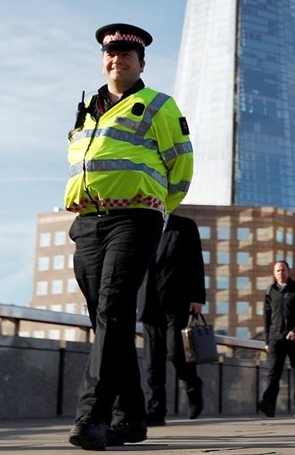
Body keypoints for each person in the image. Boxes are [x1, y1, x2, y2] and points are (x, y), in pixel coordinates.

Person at [64, 24, 193, 451]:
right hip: (88, 221)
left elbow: (182, 168)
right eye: (109, 54)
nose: (115, 60)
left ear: (140, 63)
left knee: (115, 310)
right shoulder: (87, 107)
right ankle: (131, 417)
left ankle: (91, 416)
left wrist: (157, 206)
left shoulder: (158, 105)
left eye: (124, 55)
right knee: (103, 318)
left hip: (135, 218)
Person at [139, 212, 206, 425]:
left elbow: (196, 261)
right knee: (152, 362)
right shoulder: (142, 224)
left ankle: (193, 386)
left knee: (176, 352)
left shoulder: (185, 225)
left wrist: (197, 297)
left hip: (176, 301)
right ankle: (155, 411)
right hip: (148, 303)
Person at [258, 260, 295, 419]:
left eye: (283, 270)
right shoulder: (270, 291)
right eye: (277, 270)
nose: (280, 273)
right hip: (276, 339)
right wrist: (267, 341)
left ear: (288, 271)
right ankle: (268, 406)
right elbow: (267, 318)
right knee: (273, 374)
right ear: (274, 273)